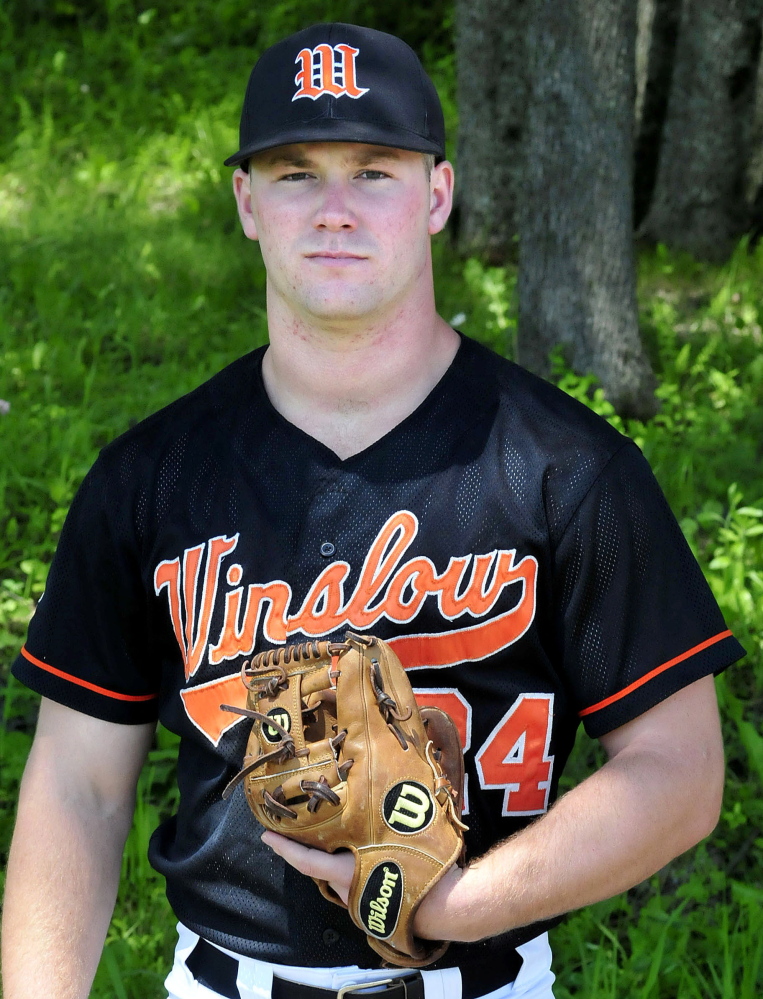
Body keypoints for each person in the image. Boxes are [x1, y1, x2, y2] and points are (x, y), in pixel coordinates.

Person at [1, 22, 745, 999]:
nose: (334, 210)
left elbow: (679, 771)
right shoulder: (153, 477)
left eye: (374, 171)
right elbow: (78, 785)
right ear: (245, 204)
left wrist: (443, 904)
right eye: (295, 173)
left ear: (437, 195)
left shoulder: (567, 472)